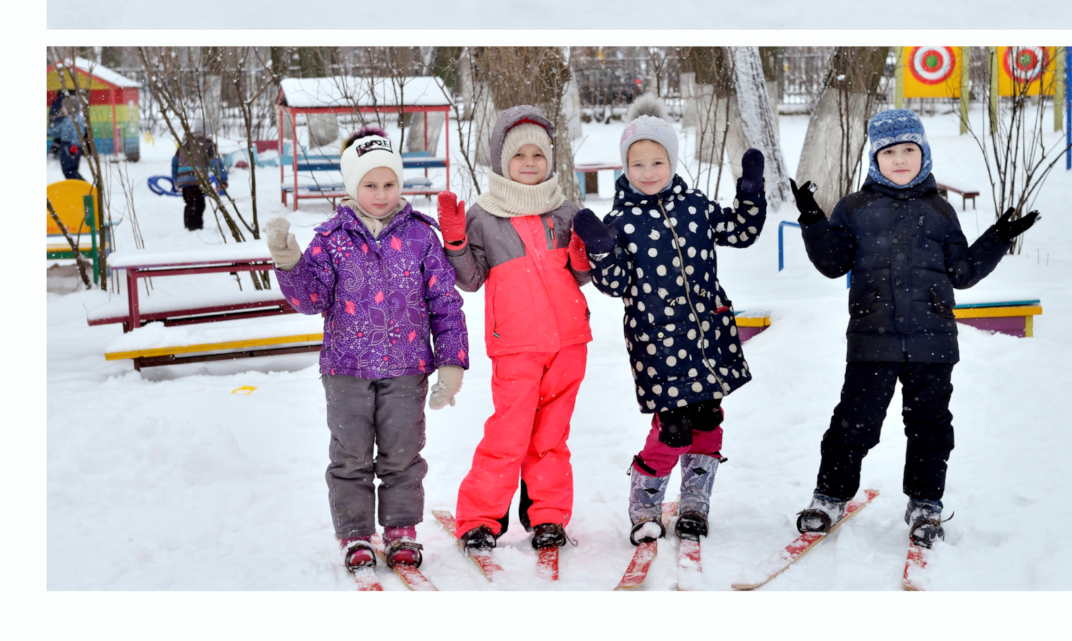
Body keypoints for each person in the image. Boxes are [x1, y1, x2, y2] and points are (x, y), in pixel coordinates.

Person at [789, 110, 1036, 551]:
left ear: (923, 154)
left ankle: (925, 504)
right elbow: (831, 263)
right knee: (854, 422)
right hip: (872, 338)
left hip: (932, 342)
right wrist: (812, 218)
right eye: (889, 152)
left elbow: (962, 272)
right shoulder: (854, 208)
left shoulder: (940, 211)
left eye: (909, 150)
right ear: (874, 159)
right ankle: (828, 497)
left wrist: (999, 235)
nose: (900, 160)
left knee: (930, 425)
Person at [266, 130, 470, 578]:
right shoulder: (332, 238)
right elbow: (311, 300)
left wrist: (451, 361)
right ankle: (355, 532)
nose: (381, 194)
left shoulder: (421, 237)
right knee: (351, 456)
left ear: (401, 184)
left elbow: (445, 303)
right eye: (370, 185)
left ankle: (400, 530)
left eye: (389, 184)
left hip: (406, 368)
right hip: (347, 370)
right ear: (352, 187)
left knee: (402, 455)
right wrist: (288, 261)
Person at [570, 108, 768, 547]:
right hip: (658, 345)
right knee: (671, 429)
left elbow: (740, 232)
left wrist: (750, 190)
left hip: (707, 340)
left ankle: (696, 499)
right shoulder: (620, 222)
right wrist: (602, 248)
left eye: (657, 162)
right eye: (637, 164)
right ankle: (645, 501)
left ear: (672, 162)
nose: (648, 172)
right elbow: (615, 283)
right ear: (625, 168)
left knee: (708, 420)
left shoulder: (695, 206)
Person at [434, 104, 591, 556]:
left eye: (537, 155)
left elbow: (581, 275)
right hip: (516, 345)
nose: (528, 162)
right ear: (502, 160)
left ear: (549, 161)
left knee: (551, 436)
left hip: (568, 343)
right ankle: (481, 518)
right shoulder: (485, 215)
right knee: (509, 434)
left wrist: (585, 251)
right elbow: (470, 278)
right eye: (518, 154)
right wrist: (457, 243)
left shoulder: (565, 211)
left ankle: (547, 517)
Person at [173, 132, 218, 232]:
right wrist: (222, 178)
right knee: (198, 203)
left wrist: (175, 179)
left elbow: (174, 162)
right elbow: (216, 162)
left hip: (183, 179)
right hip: (197, 178)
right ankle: (194, 227)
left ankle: (190, 225)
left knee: (190, 202)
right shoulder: (207, 144)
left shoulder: (184, 144)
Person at [49, 98, 84, 182]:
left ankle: (83, 188)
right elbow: (59, 130)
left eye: (63, 107)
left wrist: (74, 145)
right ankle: (75, 187)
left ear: (69, 107)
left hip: (71, 147)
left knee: (71, 171)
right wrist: (48, 133)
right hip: (65, 147)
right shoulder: (67, 119)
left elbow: (78, 133)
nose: (62, 109)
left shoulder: (75, 119)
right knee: (67, 171)